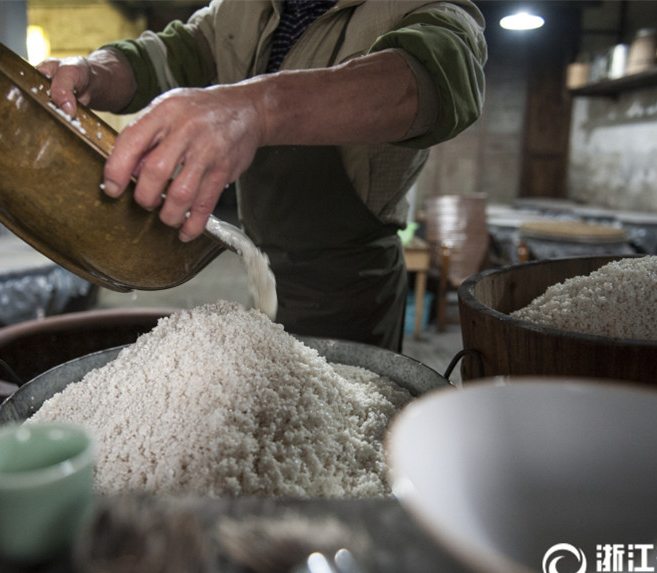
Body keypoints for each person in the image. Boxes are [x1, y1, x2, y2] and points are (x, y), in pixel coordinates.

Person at [38, 0, 487, 351]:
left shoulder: (411, 8)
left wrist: (258, 107)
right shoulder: (245, 9)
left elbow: (439, 75)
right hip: (263, 262)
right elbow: (171, 53)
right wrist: (95, 70)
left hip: (349, 287)